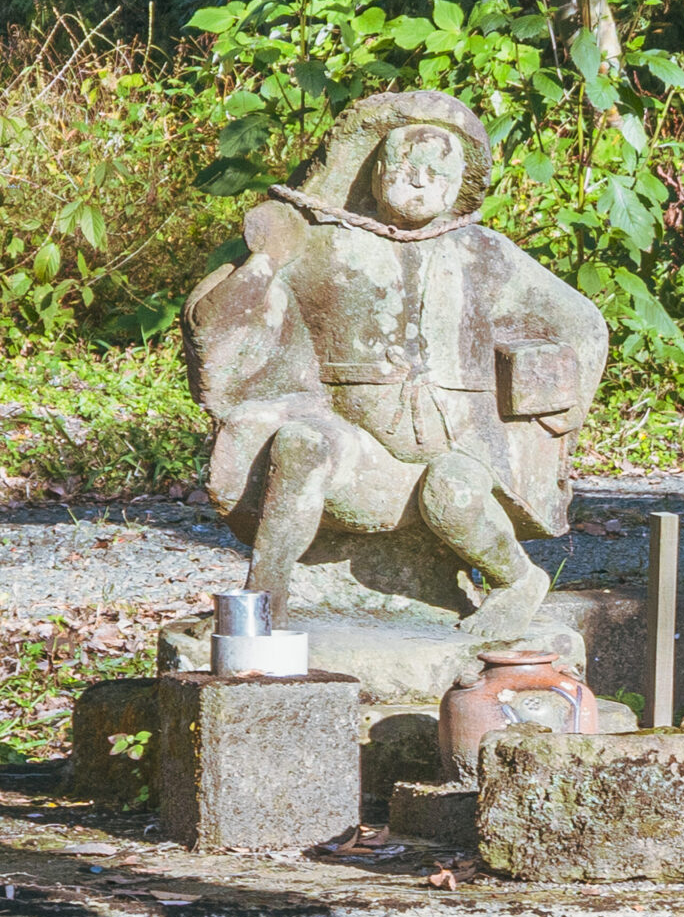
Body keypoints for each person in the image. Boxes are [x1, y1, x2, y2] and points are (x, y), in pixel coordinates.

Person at [183, 91, 607, 638]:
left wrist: (556, 421)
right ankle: (264, 603)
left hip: (461, 454)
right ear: (376, 170)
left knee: (451, 496)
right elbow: (216, 321)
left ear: (460, 186)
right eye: (405, 166)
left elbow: (582, 325)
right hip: (359, 451)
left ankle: (517, 581)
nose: (419, 179)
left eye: (437, 171)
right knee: (301, 446)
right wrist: (266, 260)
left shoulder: (483, 252)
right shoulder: (325, 245)